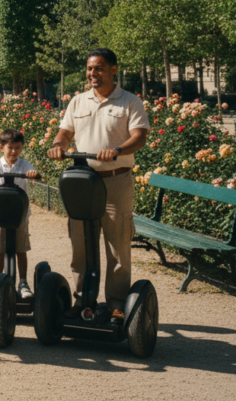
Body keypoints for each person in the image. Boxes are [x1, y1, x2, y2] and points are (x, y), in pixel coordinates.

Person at [46, 48, 149, 321]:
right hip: (83, 182)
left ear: (113, 69)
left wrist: (117, 150)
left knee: (117, 245)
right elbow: (65, 133)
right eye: (90, 68)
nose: (93, 73)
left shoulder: (129, 101)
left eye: (99, 68)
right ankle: (83, 300)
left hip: (116, 180)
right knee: (79, 242)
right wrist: (58, 146)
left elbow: (139, 136)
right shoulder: (78, 102)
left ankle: (116, 303)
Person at [0, 128, 39, 299]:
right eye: (10, 147)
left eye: (18, 147)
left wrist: (33, 174)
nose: (14, 151)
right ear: (2, 147)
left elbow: (35, 174)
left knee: (20, 249)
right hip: (0, 215)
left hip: (20, 214)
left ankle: (22, 281)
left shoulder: (24, 165)